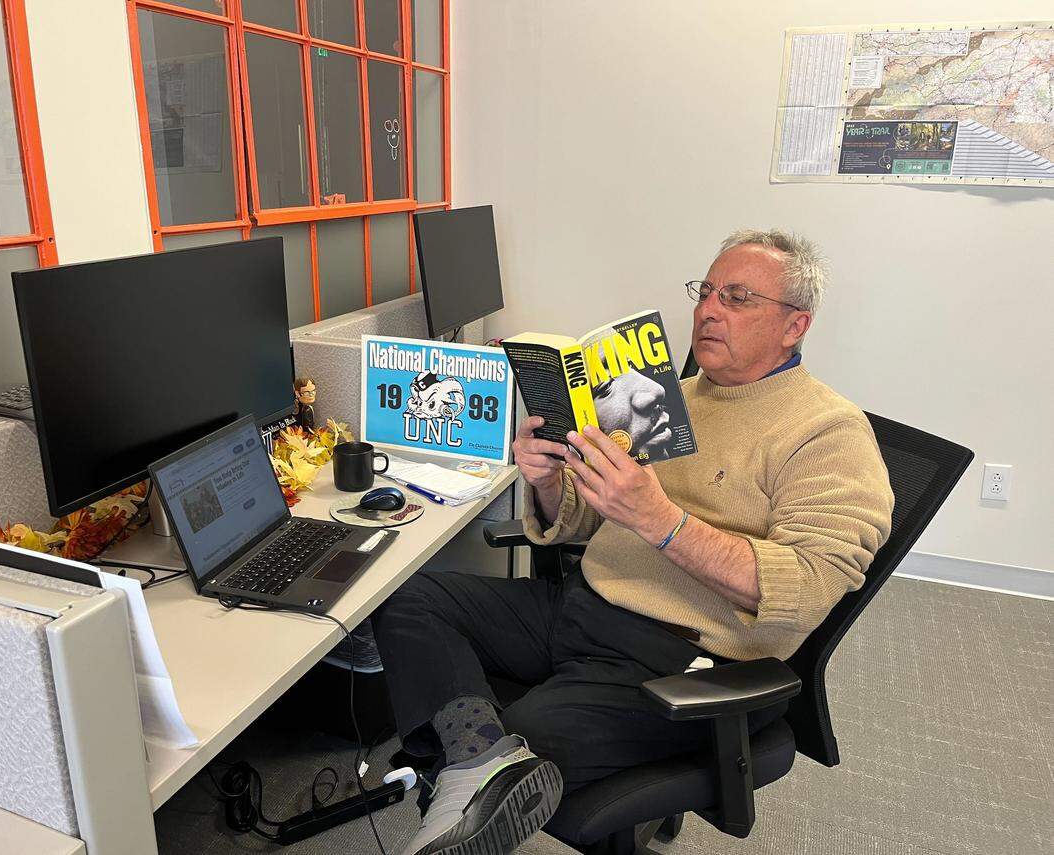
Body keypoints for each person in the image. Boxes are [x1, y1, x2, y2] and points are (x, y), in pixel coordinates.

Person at [373, 229, 894, 855]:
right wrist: (545, 484)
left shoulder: (827, 431)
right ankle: (476, 765)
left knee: (521, 748)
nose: (707, 310)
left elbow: (807, 588)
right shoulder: (668, 397)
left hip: (685, 657)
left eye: (737, 297)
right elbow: (594, 518)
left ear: (794, 325)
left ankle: (474, 768)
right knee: (409, 593)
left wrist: (662, 522)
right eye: (704, 291)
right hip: (583, 606)